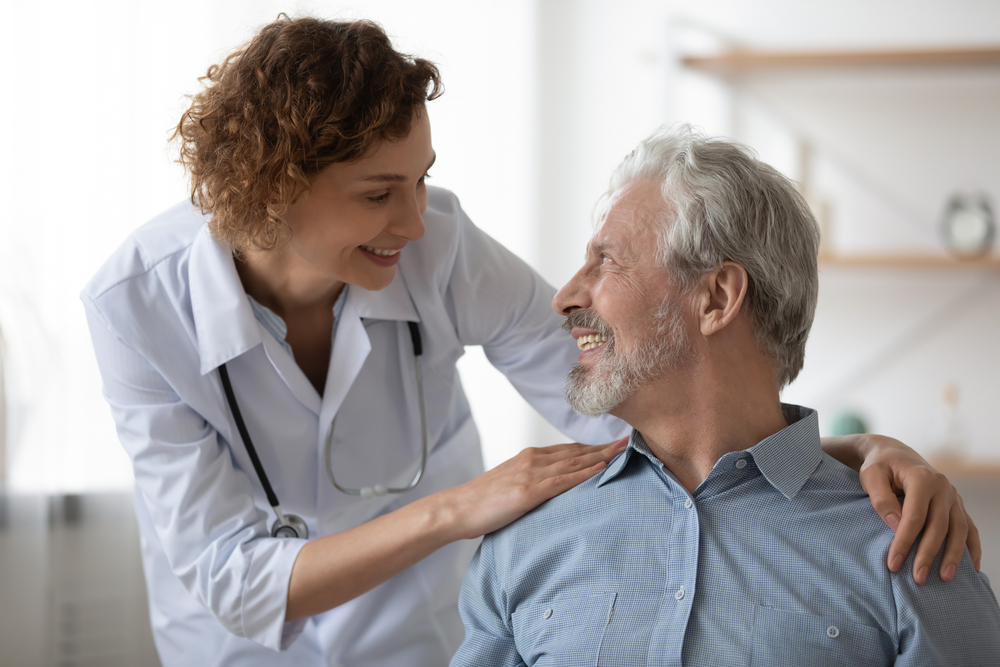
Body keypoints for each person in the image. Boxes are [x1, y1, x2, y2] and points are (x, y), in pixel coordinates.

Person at [81, 16, 977, 667]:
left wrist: (846, 453)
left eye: (421, 179)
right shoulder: (137, 308)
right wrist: (460, 507)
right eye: (377, 192)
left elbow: (638, 397)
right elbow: (236, 581)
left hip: (409, 640)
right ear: (277, 190)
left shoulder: (894, 556)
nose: (413, 217)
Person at [451, 126, 1000, 667]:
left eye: (607, 261)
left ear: (716, 297)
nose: (566, 296)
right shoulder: (522, 542)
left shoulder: (914, 549)